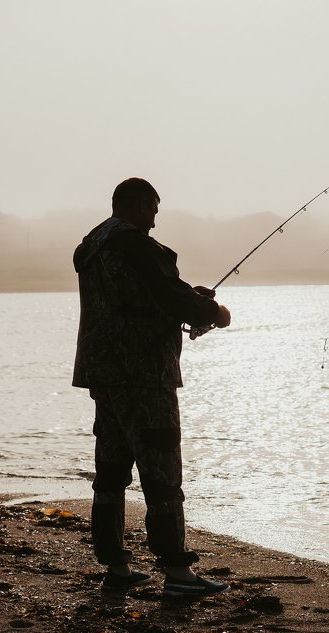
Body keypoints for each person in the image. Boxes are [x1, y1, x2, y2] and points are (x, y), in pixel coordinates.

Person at [72, 177, 232, 596]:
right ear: (141, 205)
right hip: (143, 374)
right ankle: (177, 572)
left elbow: (136, 299)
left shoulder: (90, 246)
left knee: (110, 472)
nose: (155, 221)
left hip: (103, 373)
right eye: (154, 211)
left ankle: (117, 568)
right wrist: (212, 310)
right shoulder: (138, 245)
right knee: (162, 471)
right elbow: (169, 297)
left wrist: (184, 298)